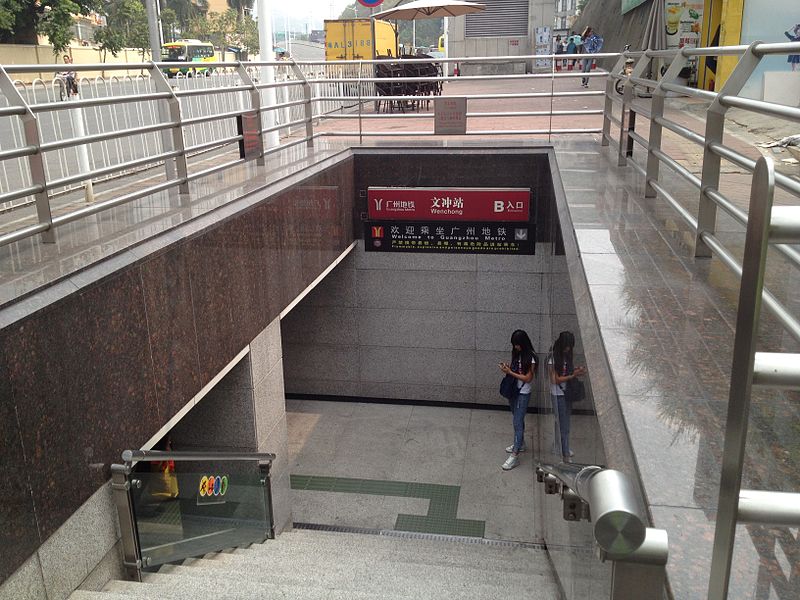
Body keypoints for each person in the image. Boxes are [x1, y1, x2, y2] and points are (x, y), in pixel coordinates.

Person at [499, 329, 537, 471]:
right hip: (514, 391)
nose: (516, 347)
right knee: (517, 419)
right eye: (514, 345)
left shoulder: (531, 358)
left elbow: (528, 378)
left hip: (523, 393)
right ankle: (520, 444)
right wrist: (507, 369)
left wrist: (510, 372)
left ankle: (515, 455)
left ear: (523, 343)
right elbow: (516, 372)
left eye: (518, 345)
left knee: (517, 422)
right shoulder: (517, 354)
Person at [548, 331, 586, 462]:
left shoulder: (566, 356)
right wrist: (573, 375)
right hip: (558, 394)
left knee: (561, 422)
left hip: (567, 394)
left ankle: (559, 446)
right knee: (564, 425)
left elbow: (566, 373)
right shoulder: (552, 358)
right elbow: (554, 380)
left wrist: (576, 371)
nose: (568, 349)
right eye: (566, 346)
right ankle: (565, 453)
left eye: (570, 346)